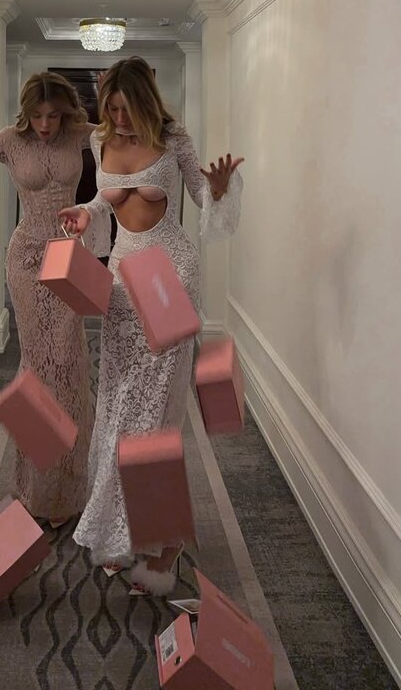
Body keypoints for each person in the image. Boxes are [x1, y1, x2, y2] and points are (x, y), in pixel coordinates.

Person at [59, 56, 243, 594]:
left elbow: (203, 200)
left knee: (154, 419)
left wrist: (220, 189)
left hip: (169, 279)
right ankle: (119, 530)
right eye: (110, 108)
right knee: (117, 409)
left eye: (125, 108)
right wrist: (87, 213)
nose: (117, 118)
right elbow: (103, 199)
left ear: (144, 101)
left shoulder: (174, 138)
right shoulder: (101, 140)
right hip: (121, 282)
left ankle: (164, 541)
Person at [0, 72, 94, 527]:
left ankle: (68, 484)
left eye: (53, 115)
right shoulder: (9, 140)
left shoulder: (79, 134)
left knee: (69, 363)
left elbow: (131, 138)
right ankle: (35, 485)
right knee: (37, 366)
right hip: (25, 260)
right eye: (37, 115)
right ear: (25, 113)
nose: (45, 124)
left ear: (65, 113)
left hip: (67, 258)